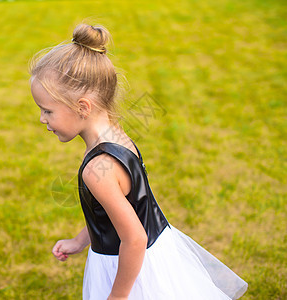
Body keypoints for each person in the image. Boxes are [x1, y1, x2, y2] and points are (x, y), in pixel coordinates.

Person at [29, 23, 248, 300]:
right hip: (157, 255)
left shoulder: (97, 168)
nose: (42, 119)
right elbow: (115, 211)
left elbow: (134, 239)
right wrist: (80, 241)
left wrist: (117, 296)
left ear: (82, 107)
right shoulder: (117, 137)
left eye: (47, 110)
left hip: (129, 269)